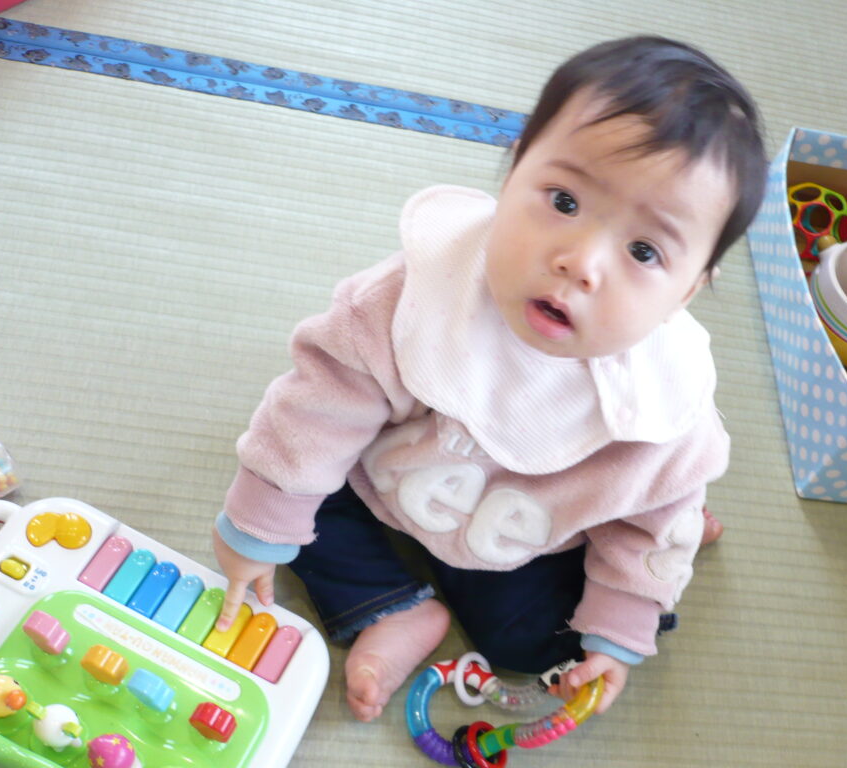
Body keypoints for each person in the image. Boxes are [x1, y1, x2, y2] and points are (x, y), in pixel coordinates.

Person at [211, 35, 766, 723]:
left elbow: (646, 528)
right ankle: (391, 610)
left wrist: (620, 621)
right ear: (513, 173)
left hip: (524, 534)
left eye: (644, 251)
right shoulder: (418, 295)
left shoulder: (660, 409)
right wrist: (261, 524)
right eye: (564, 201)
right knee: (287, 496)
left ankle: (676, 529)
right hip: (388, 476)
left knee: (548, 634)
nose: (580, 262)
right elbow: (320, 404)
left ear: (686, 292)